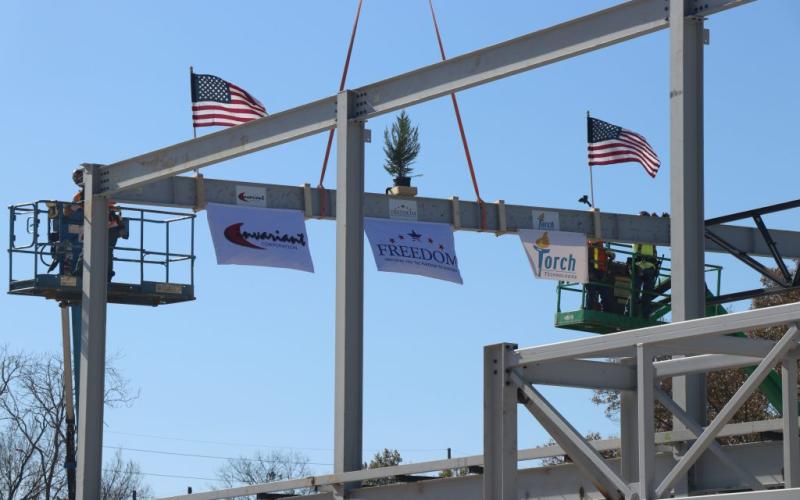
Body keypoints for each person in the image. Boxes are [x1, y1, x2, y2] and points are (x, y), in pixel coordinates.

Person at [59, 166, 125, 280]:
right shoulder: (80, 196)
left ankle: (104, 276)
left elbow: (115, 201)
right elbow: (69, 211)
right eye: (78, 178)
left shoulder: (103, 191)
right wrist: (67, 207)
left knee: (104, 251)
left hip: (109, 226)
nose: (80, 180)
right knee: (91, 251)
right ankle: (81, 274)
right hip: (97, 227)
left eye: (81, 177)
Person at [630, 211, 659, 317]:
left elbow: (657, 228)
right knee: (634, 294)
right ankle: (631, 313)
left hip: (650, 267)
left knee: (647, 295)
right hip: (639, 266)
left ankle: (644, 315)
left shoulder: (650, 233)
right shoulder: (636, 232)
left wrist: (656, 220)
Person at [586, 240, 612, 312]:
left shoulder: (603, 249)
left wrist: (611, 256)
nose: (601, 243)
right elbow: (586, 261)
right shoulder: (588, 247)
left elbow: (607, 262)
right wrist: (590, 273)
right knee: (591, 293)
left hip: (602, 274)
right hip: (591, 273)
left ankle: (606, 312)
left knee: (606, 294)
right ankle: (589, 310)